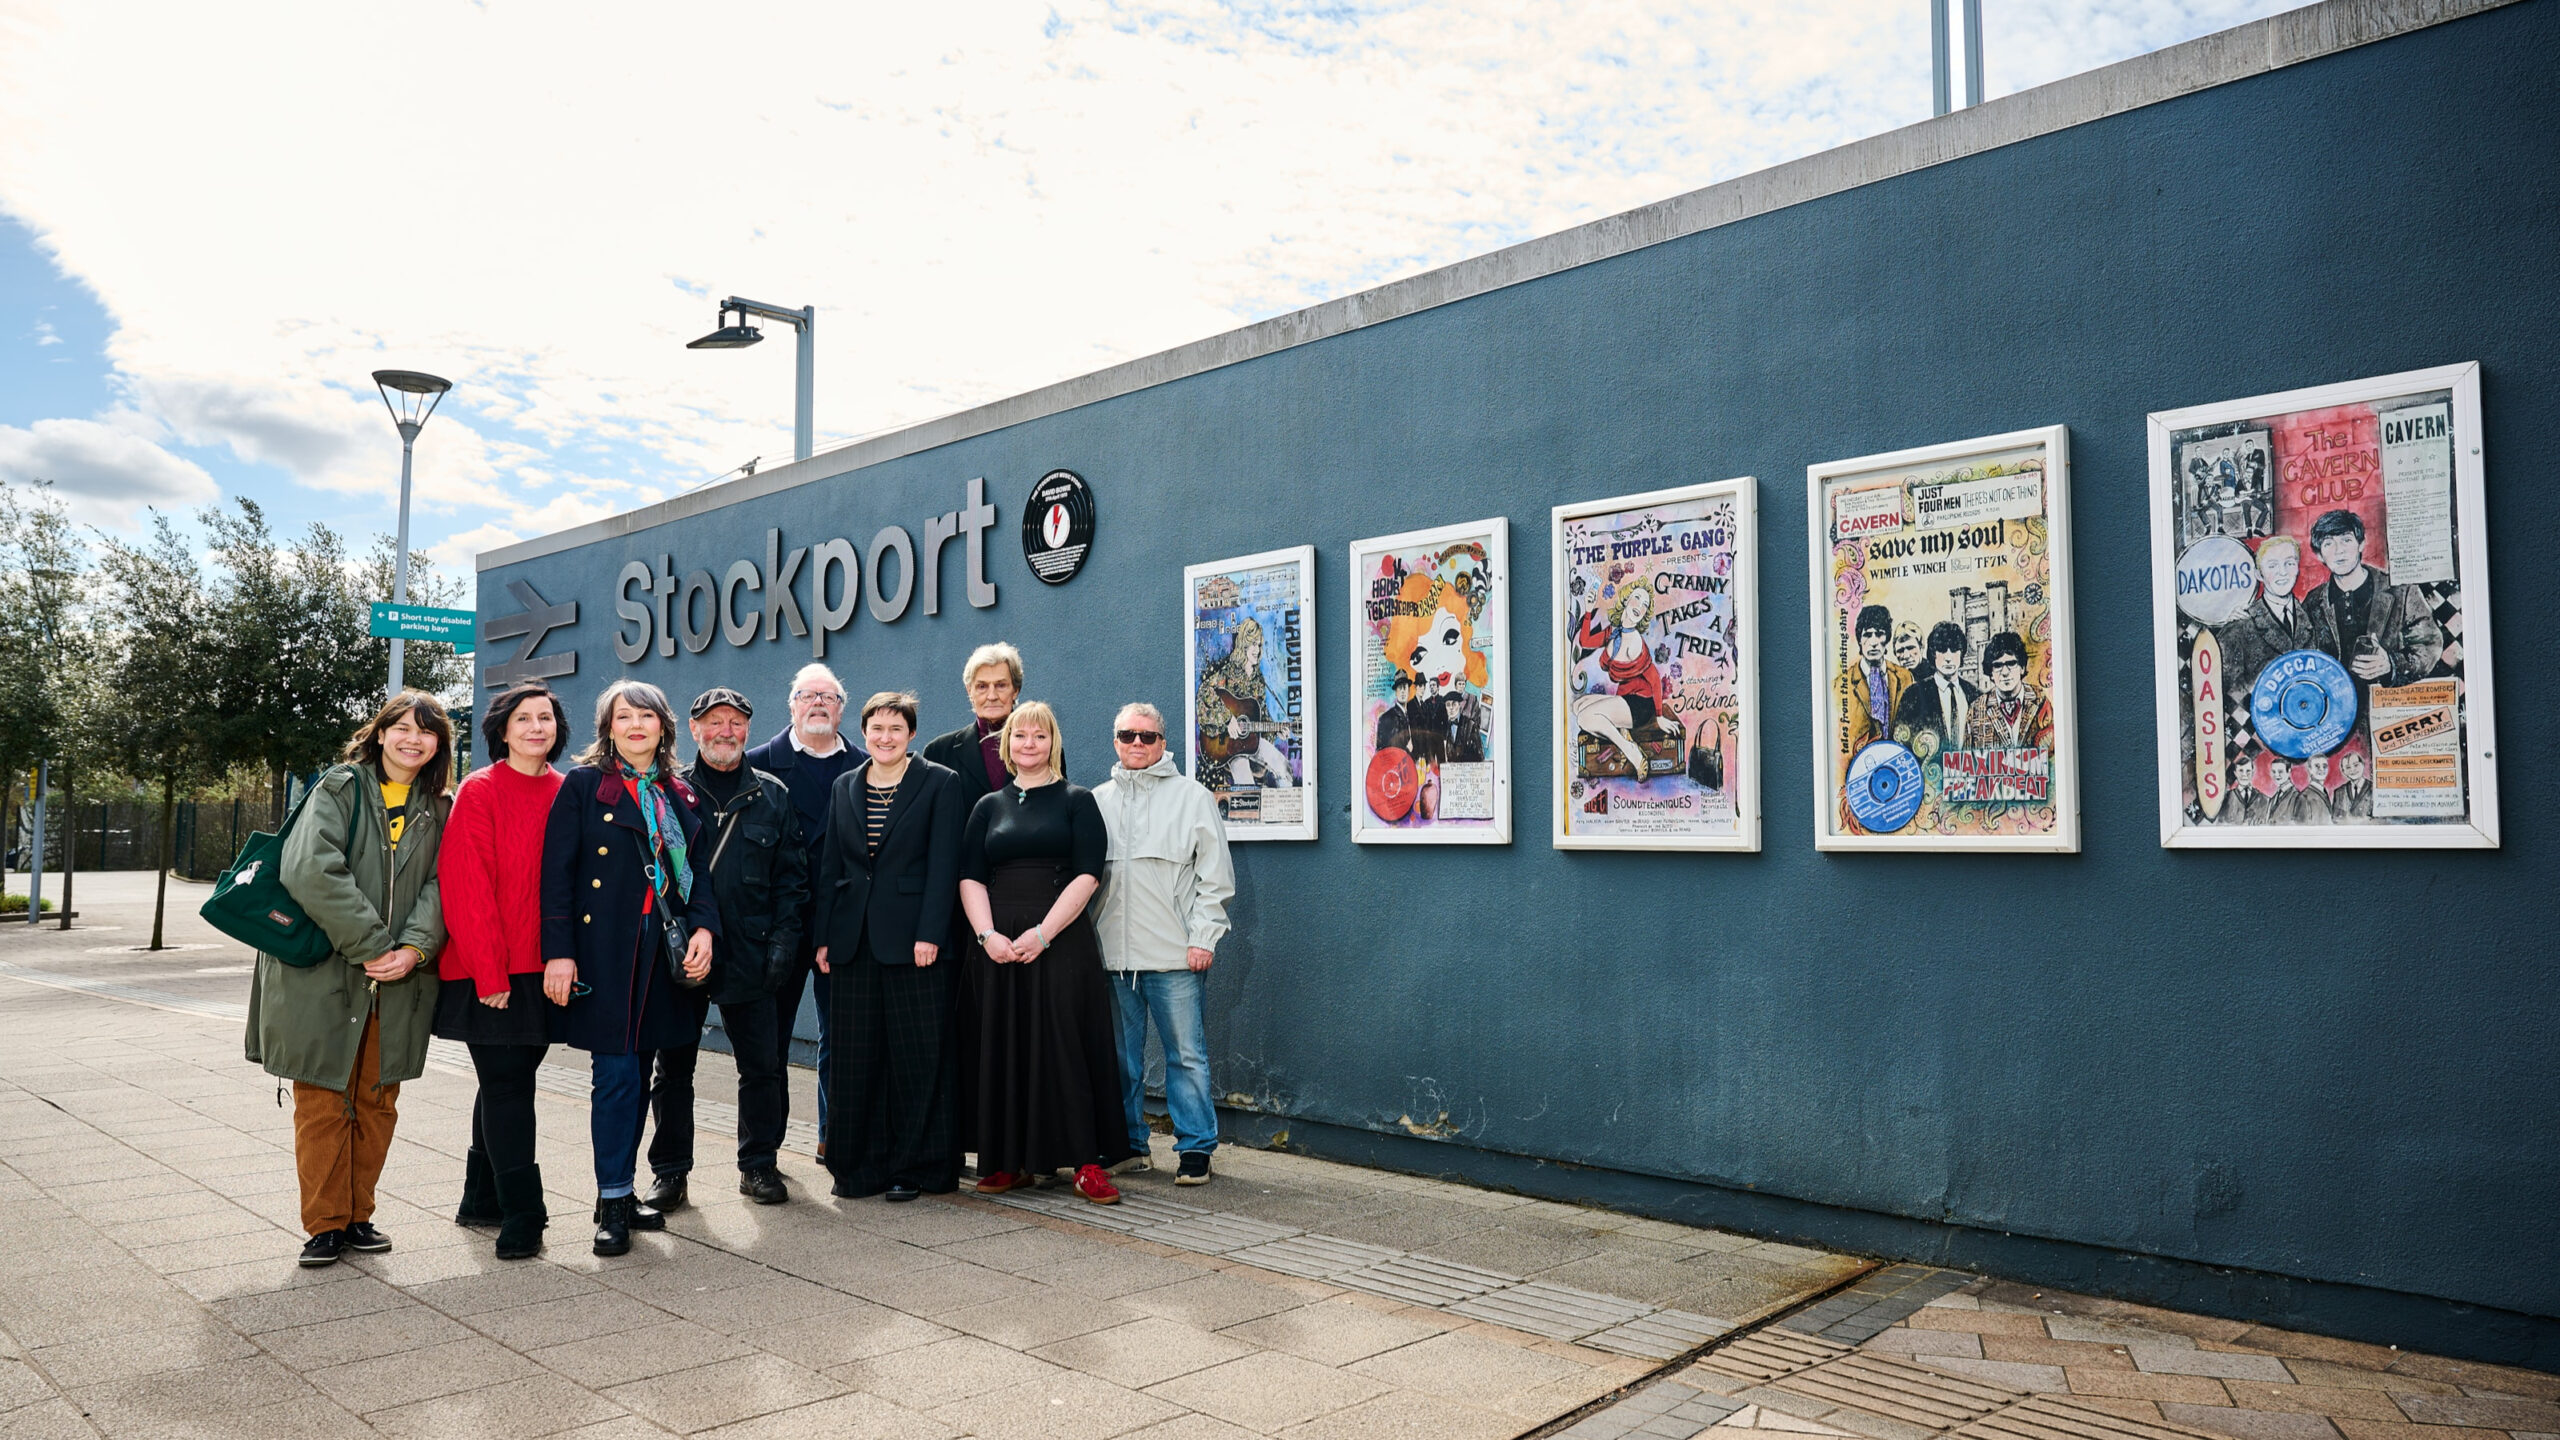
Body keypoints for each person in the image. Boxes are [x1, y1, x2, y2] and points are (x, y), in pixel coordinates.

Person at [246, 690, 453, 1268]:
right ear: (380, 733)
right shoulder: (340, 786)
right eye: (403, 727)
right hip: (325, 973)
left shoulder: (440, 806)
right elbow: (312, 868)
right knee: (321, 1099)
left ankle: (360, 1214)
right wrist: (373, 946)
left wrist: (413, 948)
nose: (414, 739)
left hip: (401, 977)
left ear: (439, 744)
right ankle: (325, 1224)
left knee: (378, 1098)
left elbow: (443, 884)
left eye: (427, 731)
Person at [542, 680, 722, 1255]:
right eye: (625, 717)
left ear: (664, 727)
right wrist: (560, 952)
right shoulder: (584, 786)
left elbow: (701, 879)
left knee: (642, 1078)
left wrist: (705, 931)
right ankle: (613, 1203)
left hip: (663, 960)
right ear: (609, 727)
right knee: (616, 1079)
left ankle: (617, 1193)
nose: (637, 725)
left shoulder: (680, 794)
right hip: (607, 955)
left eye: (647, 715)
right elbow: (557, 877)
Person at [639, 687, 810, 1210]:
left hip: (752, 955)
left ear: (747, 731)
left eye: (735, 722)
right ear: (693, 730)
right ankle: (670, 1172)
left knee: (762, 1067)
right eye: (714, 722)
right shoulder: (667, 792)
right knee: (673, 1071)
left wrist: (784, 943)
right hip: (683, 956)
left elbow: (792, 880)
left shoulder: (772, 795)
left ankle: (758, 1164)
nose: (725, 732)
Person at [957, 701, 1134, 1203]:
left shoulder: (1078, 800)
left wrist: (1042, 934)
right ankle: (1010, 1163)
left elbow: (1087, 874)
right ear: (1006, 744)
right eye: (1018, 737)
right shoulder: (988, 806)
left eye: (1037, 736)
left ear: (1053, 742)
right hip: (997, 942)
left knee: (1065, 1046)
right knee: (1004, 1044)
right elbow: (969, 875)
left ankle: (1084, 1164)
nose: (1027, 744)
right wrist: (987, 935)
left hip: (1059, 939)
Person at [812, 692, 968, 1200]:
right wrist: (824, 939)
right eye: (876, 728)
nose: (885, 737)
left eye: (895, 729)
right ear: (864, 733)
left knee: (918, 1058)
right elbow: (832, 866)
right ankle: (860, 1167)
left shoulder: (940, 783)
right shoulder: (844, 785)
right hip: (853, 941)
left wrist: (932, 933)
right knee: (857, 1059)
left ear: (911, 735)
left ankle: (916, 1168)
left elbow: (945, 865)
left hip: (915, 942)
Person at [432, 683, 566, 1260]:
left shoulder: (568, 790)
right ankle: (523, 1213)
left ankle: (480, 1197)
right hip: (490, 971)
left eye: (546, 717)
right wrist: (490, 974)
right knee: (510, 1085)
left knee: (505, 1082)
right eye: (524, 719)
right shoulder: (480, 789)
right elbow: (466, 886)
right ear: (502, 730)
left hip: (545, 968)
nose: (536, 727)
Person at [1094, 704, 1234, 1185]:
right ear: (1115, 740)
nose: (1137, 744)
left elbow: (1216, 880)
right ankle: (1131, 1145)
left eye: (1147, 737)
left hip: (1176, 955)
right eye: (1127, 735)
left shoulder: (1192, 798)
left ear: (1162, 742)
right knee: (1120, 1059)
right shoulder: (1096, 801)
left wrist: (1203, 938)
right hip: (1113, 958)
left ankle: (1195, 1148)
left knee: (1186, 1055)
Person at [744, 664, 861, 1149]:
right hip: (778, 927)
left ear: (841, 708)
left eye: (828, 697)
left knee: (845, 1037)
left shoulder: (866, 765)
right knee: (769, 1044)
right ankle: (763, 1152)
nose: (818, 703)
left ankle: (834, 1136)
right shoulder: (756, 765)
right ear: (790, 705)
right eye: (807, 695)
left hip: (845, 924)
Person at [2303, 509, 2445, 710]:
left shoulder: (2401, 591)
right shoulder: (2312, 602)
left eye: (2346, 540)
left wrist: (2392, 665)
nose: (2338, 550)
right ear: (2319, 555)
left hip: (2390, 711)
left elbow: (2429, 644)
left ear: (2361, 544)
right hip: (2335, 714)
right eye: (2328, 544)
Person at [1569, 574, 1666, 776]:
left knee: (1585, 718)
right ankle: (1621, 733)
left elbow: (1655, 679)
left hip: (1640, 705)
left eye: (1645, 604)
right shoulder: (1615, 632)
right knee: (1577, 706)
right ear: (1626, 599)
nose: (1640, 605)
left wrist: (1660, 716)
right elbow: (1585, 641)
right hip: (1625, 699)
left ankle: (1631, 751)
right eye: (1637, 598)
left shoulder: (1635, 642)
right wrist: (1588, 611)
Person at [1193, 618, 1293, 791]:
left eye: (1259, 645)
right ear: (1243, 644)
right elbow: (1203, 694)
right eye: (1253, 644)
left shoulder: (1258, 679)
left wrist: (1276, 729)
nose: (1257, 650)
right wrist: (1227, 719)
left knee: (1284, 767)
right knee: (1246, 785)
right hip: (1228, 747)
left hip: (1250, 743)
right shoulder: (1229, 672)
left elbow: (1261, 716)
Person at [924, 642, 1024, 814]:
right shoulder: (939, 752)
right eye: (982, 686)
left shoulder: (1043, 748)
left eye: (1001, 685)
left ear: (1015, 690)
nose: (992, 696)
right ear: (969, 691)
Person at [1964, 632, 2053, 751]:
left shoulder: (2040, 699)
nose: (2005, 672)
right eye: (1997, 666)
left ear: (2022, 668)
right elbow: (1965, 760)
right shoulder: (1976, 709)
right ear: (1990, 673)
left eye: (2011, 663)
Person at [1893, 622, 1976, 750]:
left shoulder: (1975, 694)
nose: (1948, 658)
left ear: (1962, 653)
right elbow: (1901, 744)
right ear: (1933, 653)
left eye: (1954, 650)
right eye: (1942, 650)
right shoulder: (1913, 695)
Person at [1842, 604, 1909, 755]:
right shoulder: (1841, 685)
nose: (1873, 642)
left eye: (1879, 634)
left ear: (1887, 638)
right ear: (1859, 639)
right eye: (1867, 635)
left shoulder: (1905, 678)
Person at [1373, 673, 1414, 757]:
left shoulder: (1412, 715)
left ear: (1409, 691)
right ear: (1395, 692)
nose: (1402, 691)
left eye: (1405, 687)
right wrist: (1407, 750)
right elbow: (1383, 752)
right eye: (1399, 688)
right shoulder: (1386, 718)